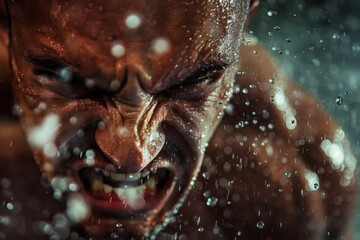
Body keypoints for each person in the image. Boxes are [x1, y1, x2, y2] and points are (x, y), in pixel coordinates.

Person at [0, 0, 357, 239]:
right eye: (77, 83)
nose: (132, 154)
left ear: (244, 20)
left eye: (189, 84)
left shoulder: (295, 179)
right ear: (6, 23)